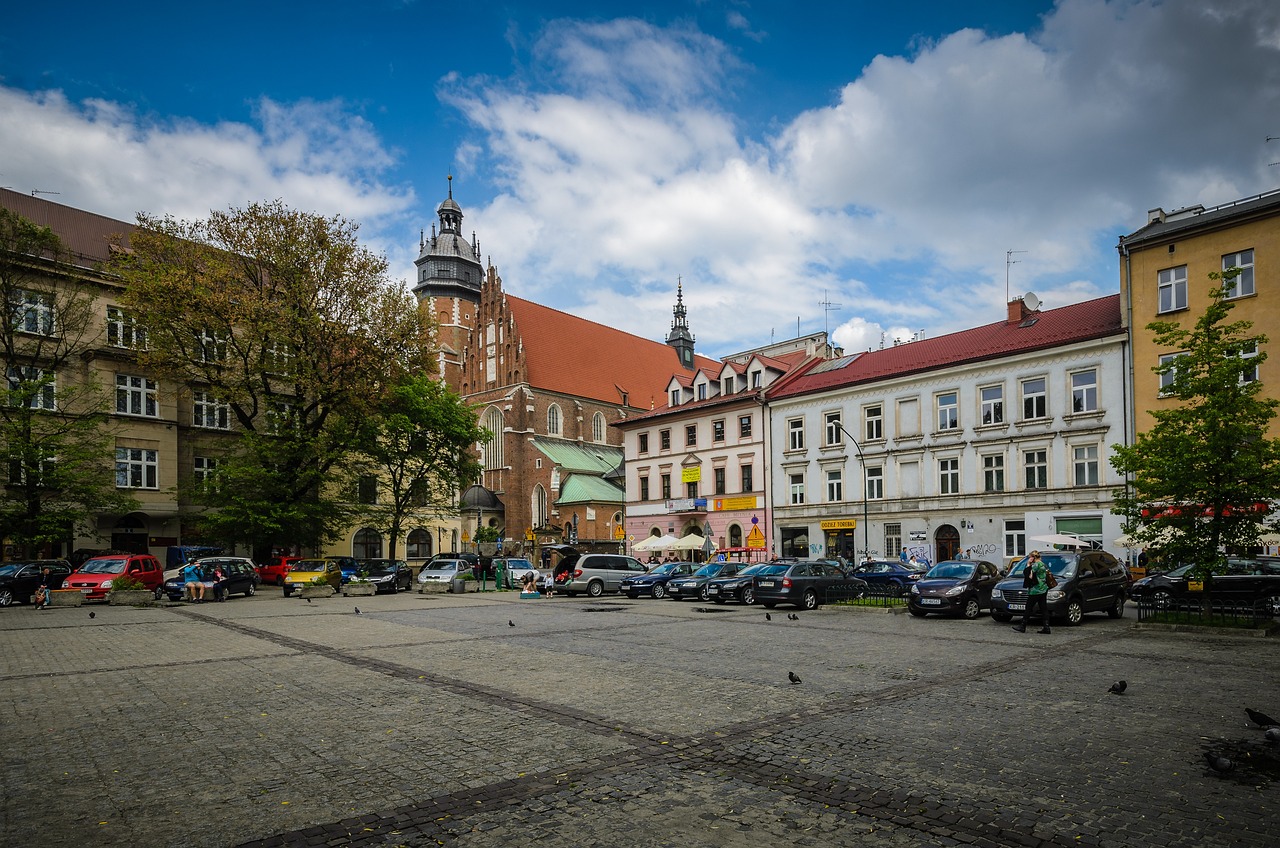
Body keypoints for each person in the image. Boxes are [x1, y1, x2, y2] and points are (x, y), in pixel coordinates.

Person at [1013, 551, 1051, 634]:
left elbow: (1030, 576)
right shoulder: (1043, 564)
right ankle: (1046, 627)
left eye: (1030, 557)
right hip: (1043, 588)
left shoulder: (1036, 565)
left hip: (1035, 589)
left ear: (1033, 557)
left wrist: (1028, 564)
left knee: (1028, 608)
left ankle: (1022, 626)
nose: (1030, 559)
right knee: (1044, 608)